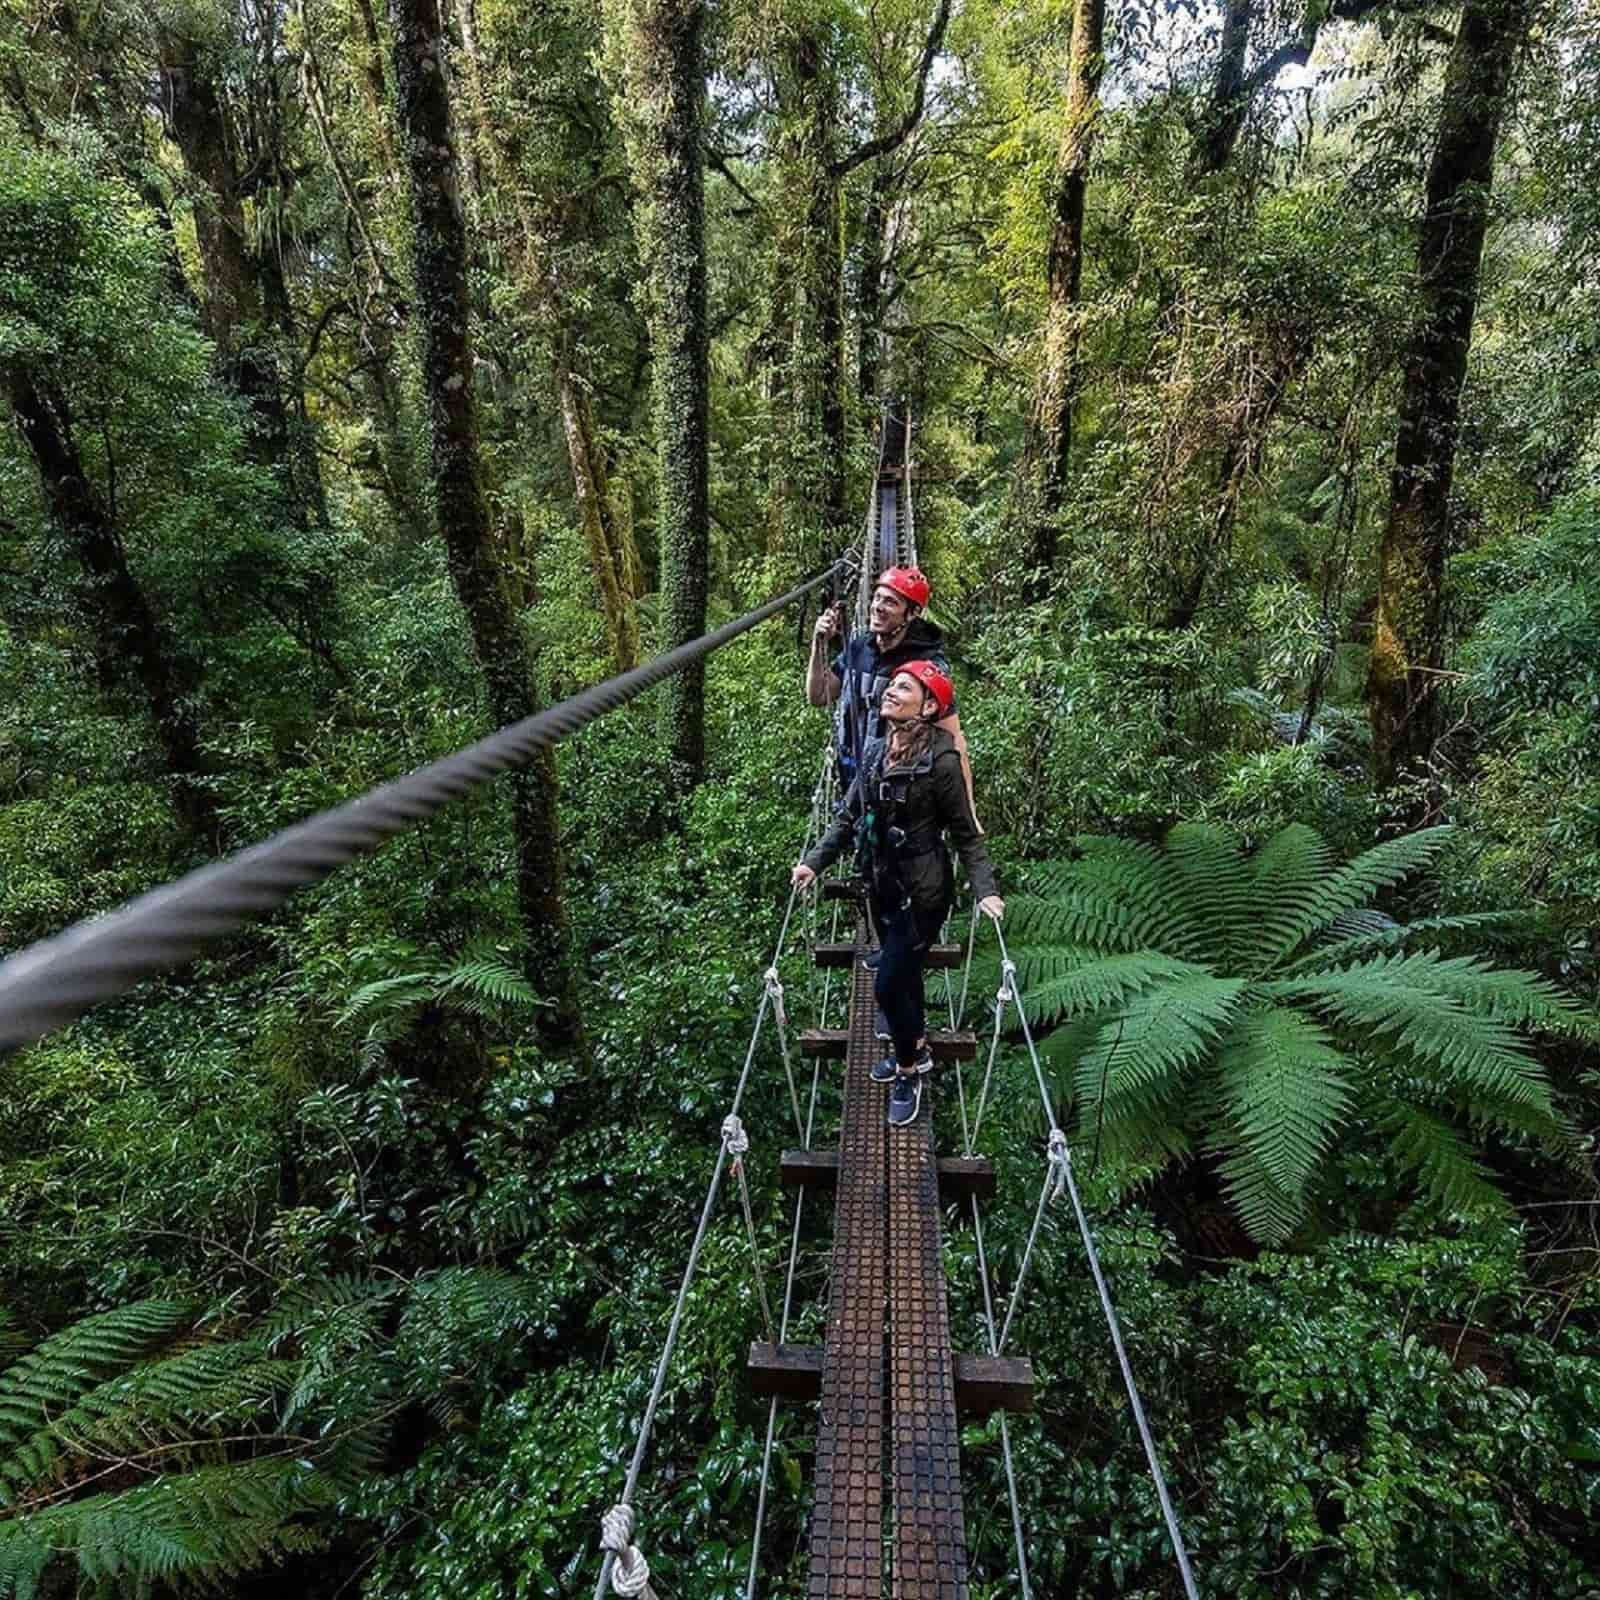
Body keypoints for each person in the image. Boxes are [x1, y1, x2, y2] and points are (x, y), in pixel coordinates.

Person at [791, 662, 1003, 1128]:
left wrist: (985, 891)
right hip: (881, 883)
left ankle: (908, 1069)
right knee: (901, 975)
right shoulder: (873, 750)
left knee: (887, 982)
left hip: (924, 893)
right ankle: (920, 1045)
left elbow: (966, 835)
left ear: (928, 707)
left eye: (903, 687)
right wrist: (814, 861)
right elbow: (848, 818)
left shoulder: (943, 763)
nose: (889, 690)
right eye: (891, 684)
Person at [805, 566, 968, 790]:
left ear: (912, 613)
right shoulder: (860, 647)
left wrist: (967, 812)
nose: (877, 607)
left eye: (890, 602)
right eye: (876, 598)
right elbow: (819, 695)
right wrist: (818, 643)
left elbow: (953, 738)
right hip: (848, 782)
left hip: (897, 791)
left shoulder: (927, 664)